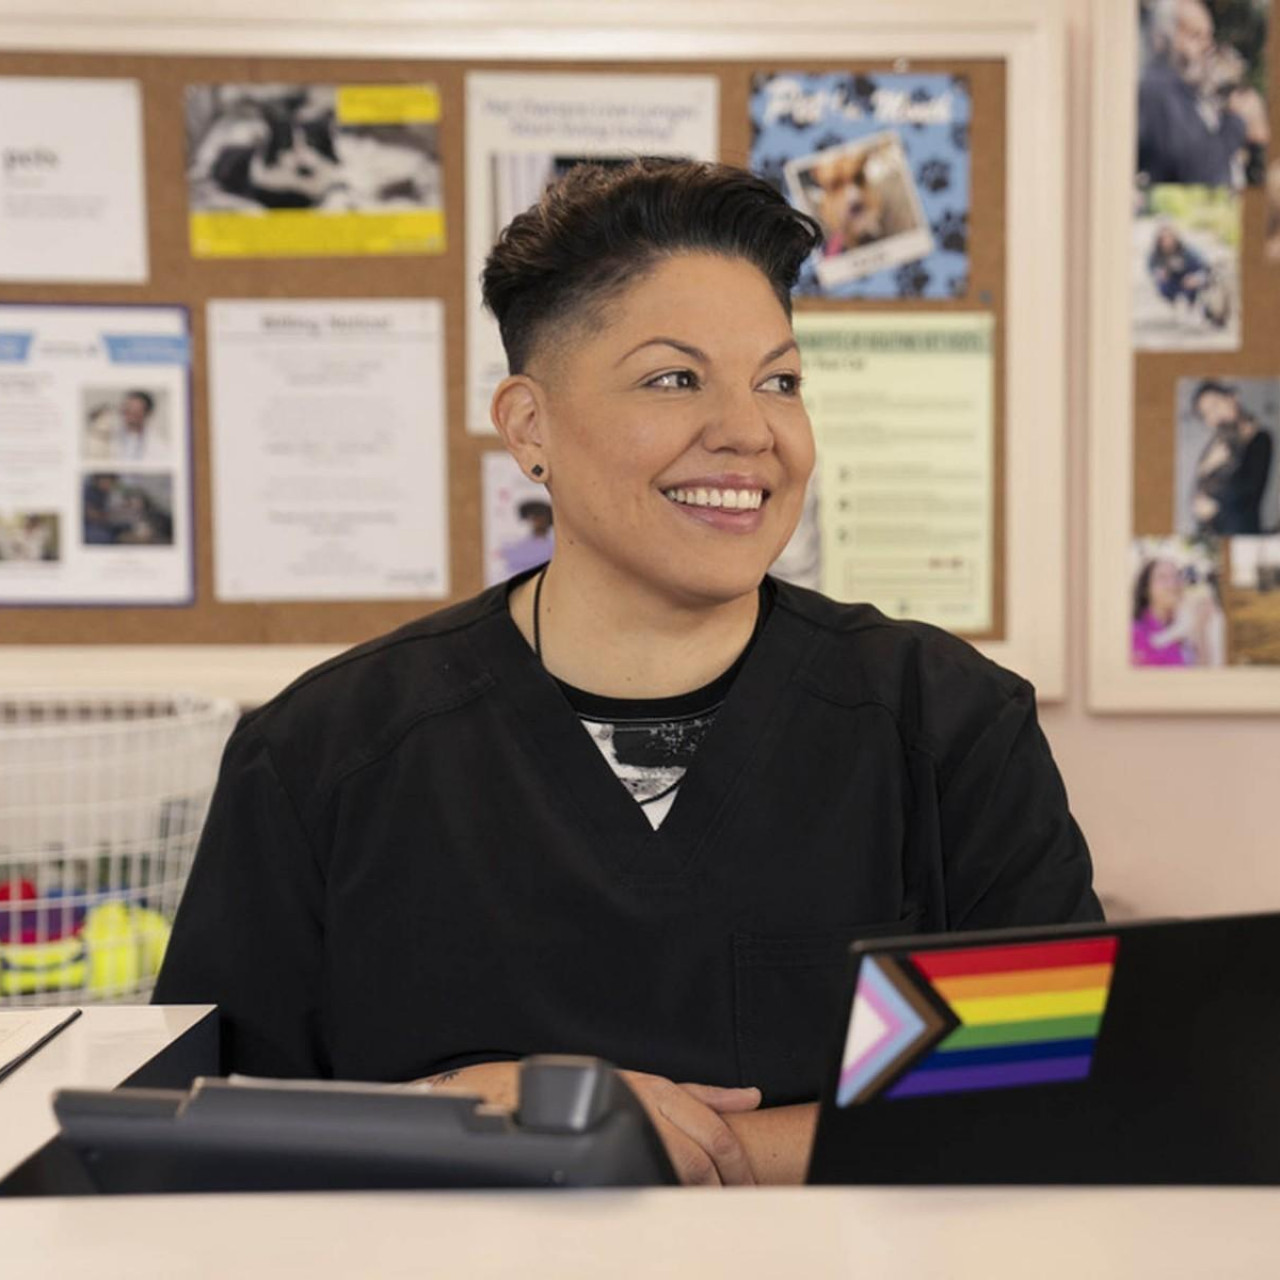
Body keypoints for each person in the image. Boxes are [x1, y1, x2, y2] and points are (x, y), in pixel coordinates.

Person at [153, 159, 1101, 1186]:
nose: (749, 431)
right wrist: (451, 1112)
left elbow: (1053, 1089)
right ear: (529, 427)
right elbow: (195, 1142)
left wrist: (679, 1150)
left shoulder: (946, 722)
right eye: (673, 379)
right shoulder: (320, 755)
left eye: (779, 381)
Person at [1137, 0, 1269, 188]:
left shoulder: (1191, 92)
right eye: (1196, 36)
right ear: (1163, 38)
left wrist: (1256, 141)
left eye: (1209, 37)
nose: (1208, 46)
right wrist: (1237, 120)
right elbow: (1198, 172)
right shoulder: (1158, 90)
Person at [1189, 380, 1273, 536]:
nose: (1213, 416)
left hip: (1240, 531)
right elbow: (1200, 486)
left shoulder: (1260, 438)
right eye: (1205, 414)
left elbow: (1251, 489)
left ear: (1233, 398)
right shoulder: (1216, 443)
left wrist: (1216, 506)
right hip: (1209, 532)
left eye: (1215, 405)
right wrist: (1205, 467)